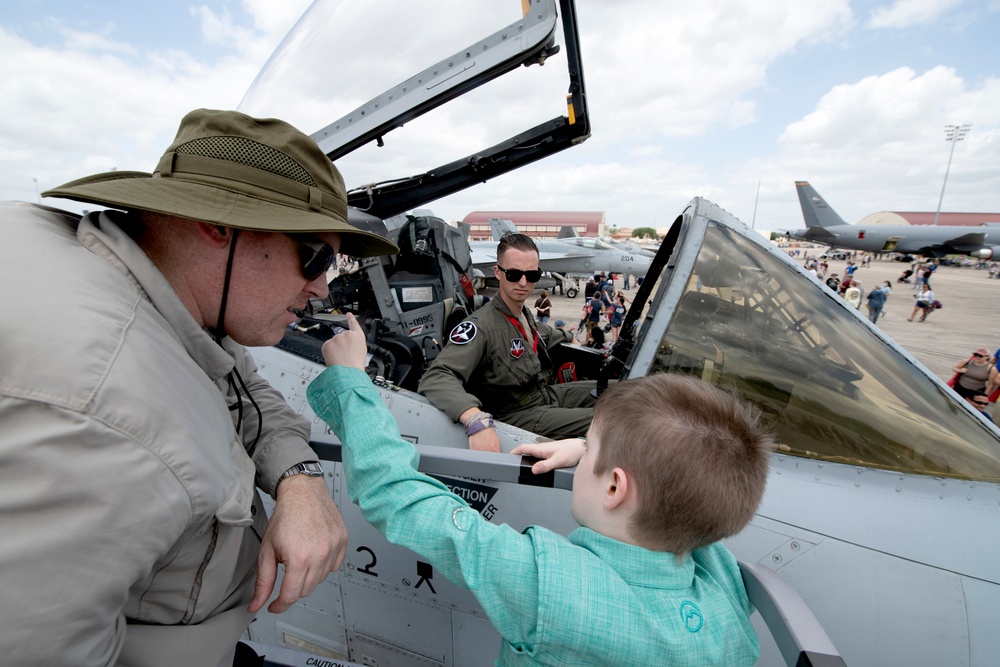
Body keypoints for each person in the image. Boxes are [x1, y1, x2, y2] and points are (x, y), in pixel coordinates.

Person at [0, 109, 399, 666]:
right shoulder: (106, 424)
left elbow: (242, 384)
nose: (320, 289)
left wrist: (299, 479)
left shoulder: (145, 286)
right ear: (220, 226)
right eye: (314, 257)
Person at [308, 327, 772, 665]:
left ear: (614, 487)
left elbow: (395, 494)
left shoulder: (545, 585)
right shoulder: (721, 588)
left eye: (590, 447)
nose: (582, 450)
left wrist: (352, 381)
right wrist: (597, 451)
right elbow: (693, 497)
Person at [418, 233, 598, 451]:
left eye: (531, 275)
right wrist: (475, 419)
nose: (523, 282)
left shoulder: (522, 315)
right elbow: (437, 376)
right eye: (513, 274)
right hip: (516, 414)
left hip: (542, 395)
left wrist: (570, 337)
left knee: (616, 393)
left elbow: (542, 332)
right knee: (609, 421)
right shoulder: (480, 327)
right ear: (497, 272)